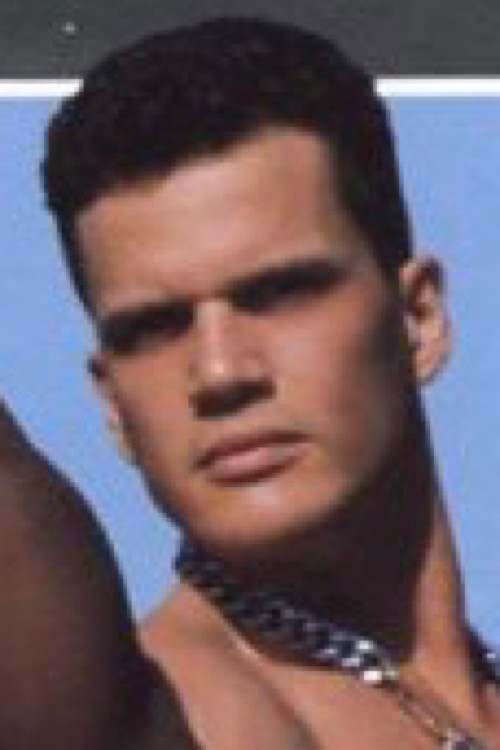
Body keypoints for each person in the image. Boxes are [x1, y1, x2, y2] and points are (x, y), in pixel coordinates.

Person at [2, 15, 499, 750]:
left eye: (279, 294)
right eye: (153, 329)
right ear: (113, 404)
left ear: (417, 320)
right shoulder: (154, 716)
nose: (220, 372)